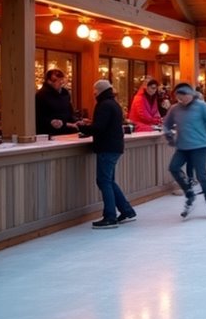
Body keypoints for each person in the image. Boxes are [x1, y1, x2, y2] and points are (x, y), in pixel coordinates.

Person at [77, 80, 136, 229]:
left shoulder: (103, 105)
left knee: (104, 181)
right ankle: (126, 210)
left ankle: (110, 216)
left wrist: (82, 128)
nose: (93, 93)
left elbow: (99, 128)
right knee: (109, 181)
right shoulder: (113, 104)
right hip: (114, 146)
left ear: (99, 91)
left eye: (94, 90)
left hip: (107, 147)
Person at [163, 83, 206, 219]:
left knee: (201, 176)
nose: (181, 100)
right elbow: (166, 124)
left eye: (183, 97)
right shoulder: (175, 109)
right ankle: (189, 193)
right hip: (182, 147)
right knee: (173, 167)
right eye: (179, 98)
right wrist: (168, 134)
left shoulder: (201, 107)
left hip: (199, 146)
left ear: (190, 95)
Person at [35, 69, 79, 136]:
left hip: (67, 131)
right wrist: (51, 122)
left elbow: (69, 111)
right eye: (57, 80)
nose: (61, 82)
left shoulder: (65, 93)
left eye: (62, 80)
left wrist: (75, 122)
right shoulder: (41, 95)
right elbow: (39, 117)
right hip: (50, 133)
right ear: (49, 81)